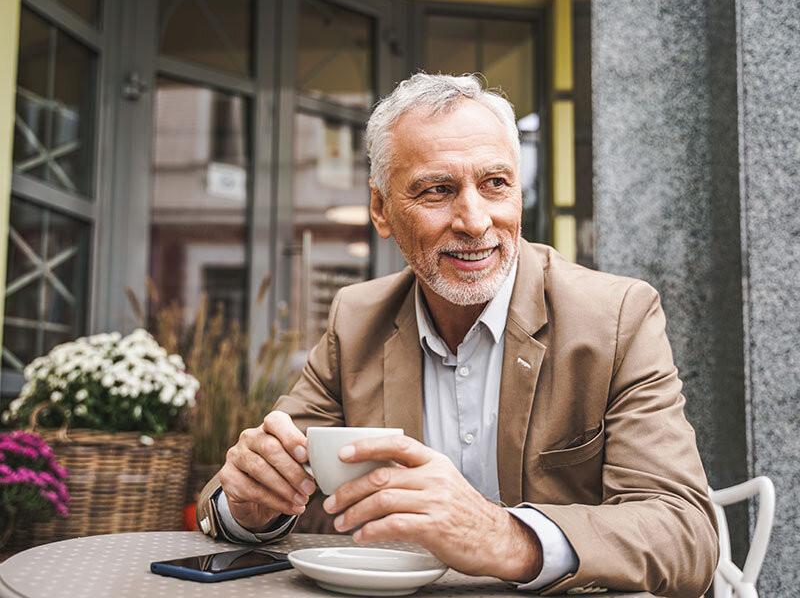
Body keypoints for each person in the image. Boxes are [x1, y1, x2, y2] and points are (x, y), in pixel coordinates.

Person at [196, 73, 719, 596]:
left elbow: (686, 534)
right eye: (438, 190)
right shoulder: (356, 320)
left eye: (495, 184)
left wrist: (505, 536)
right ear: (381, 209)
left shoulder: (616, 315)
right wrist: (249, 506)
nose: (474, 221)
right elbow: (246, 488)